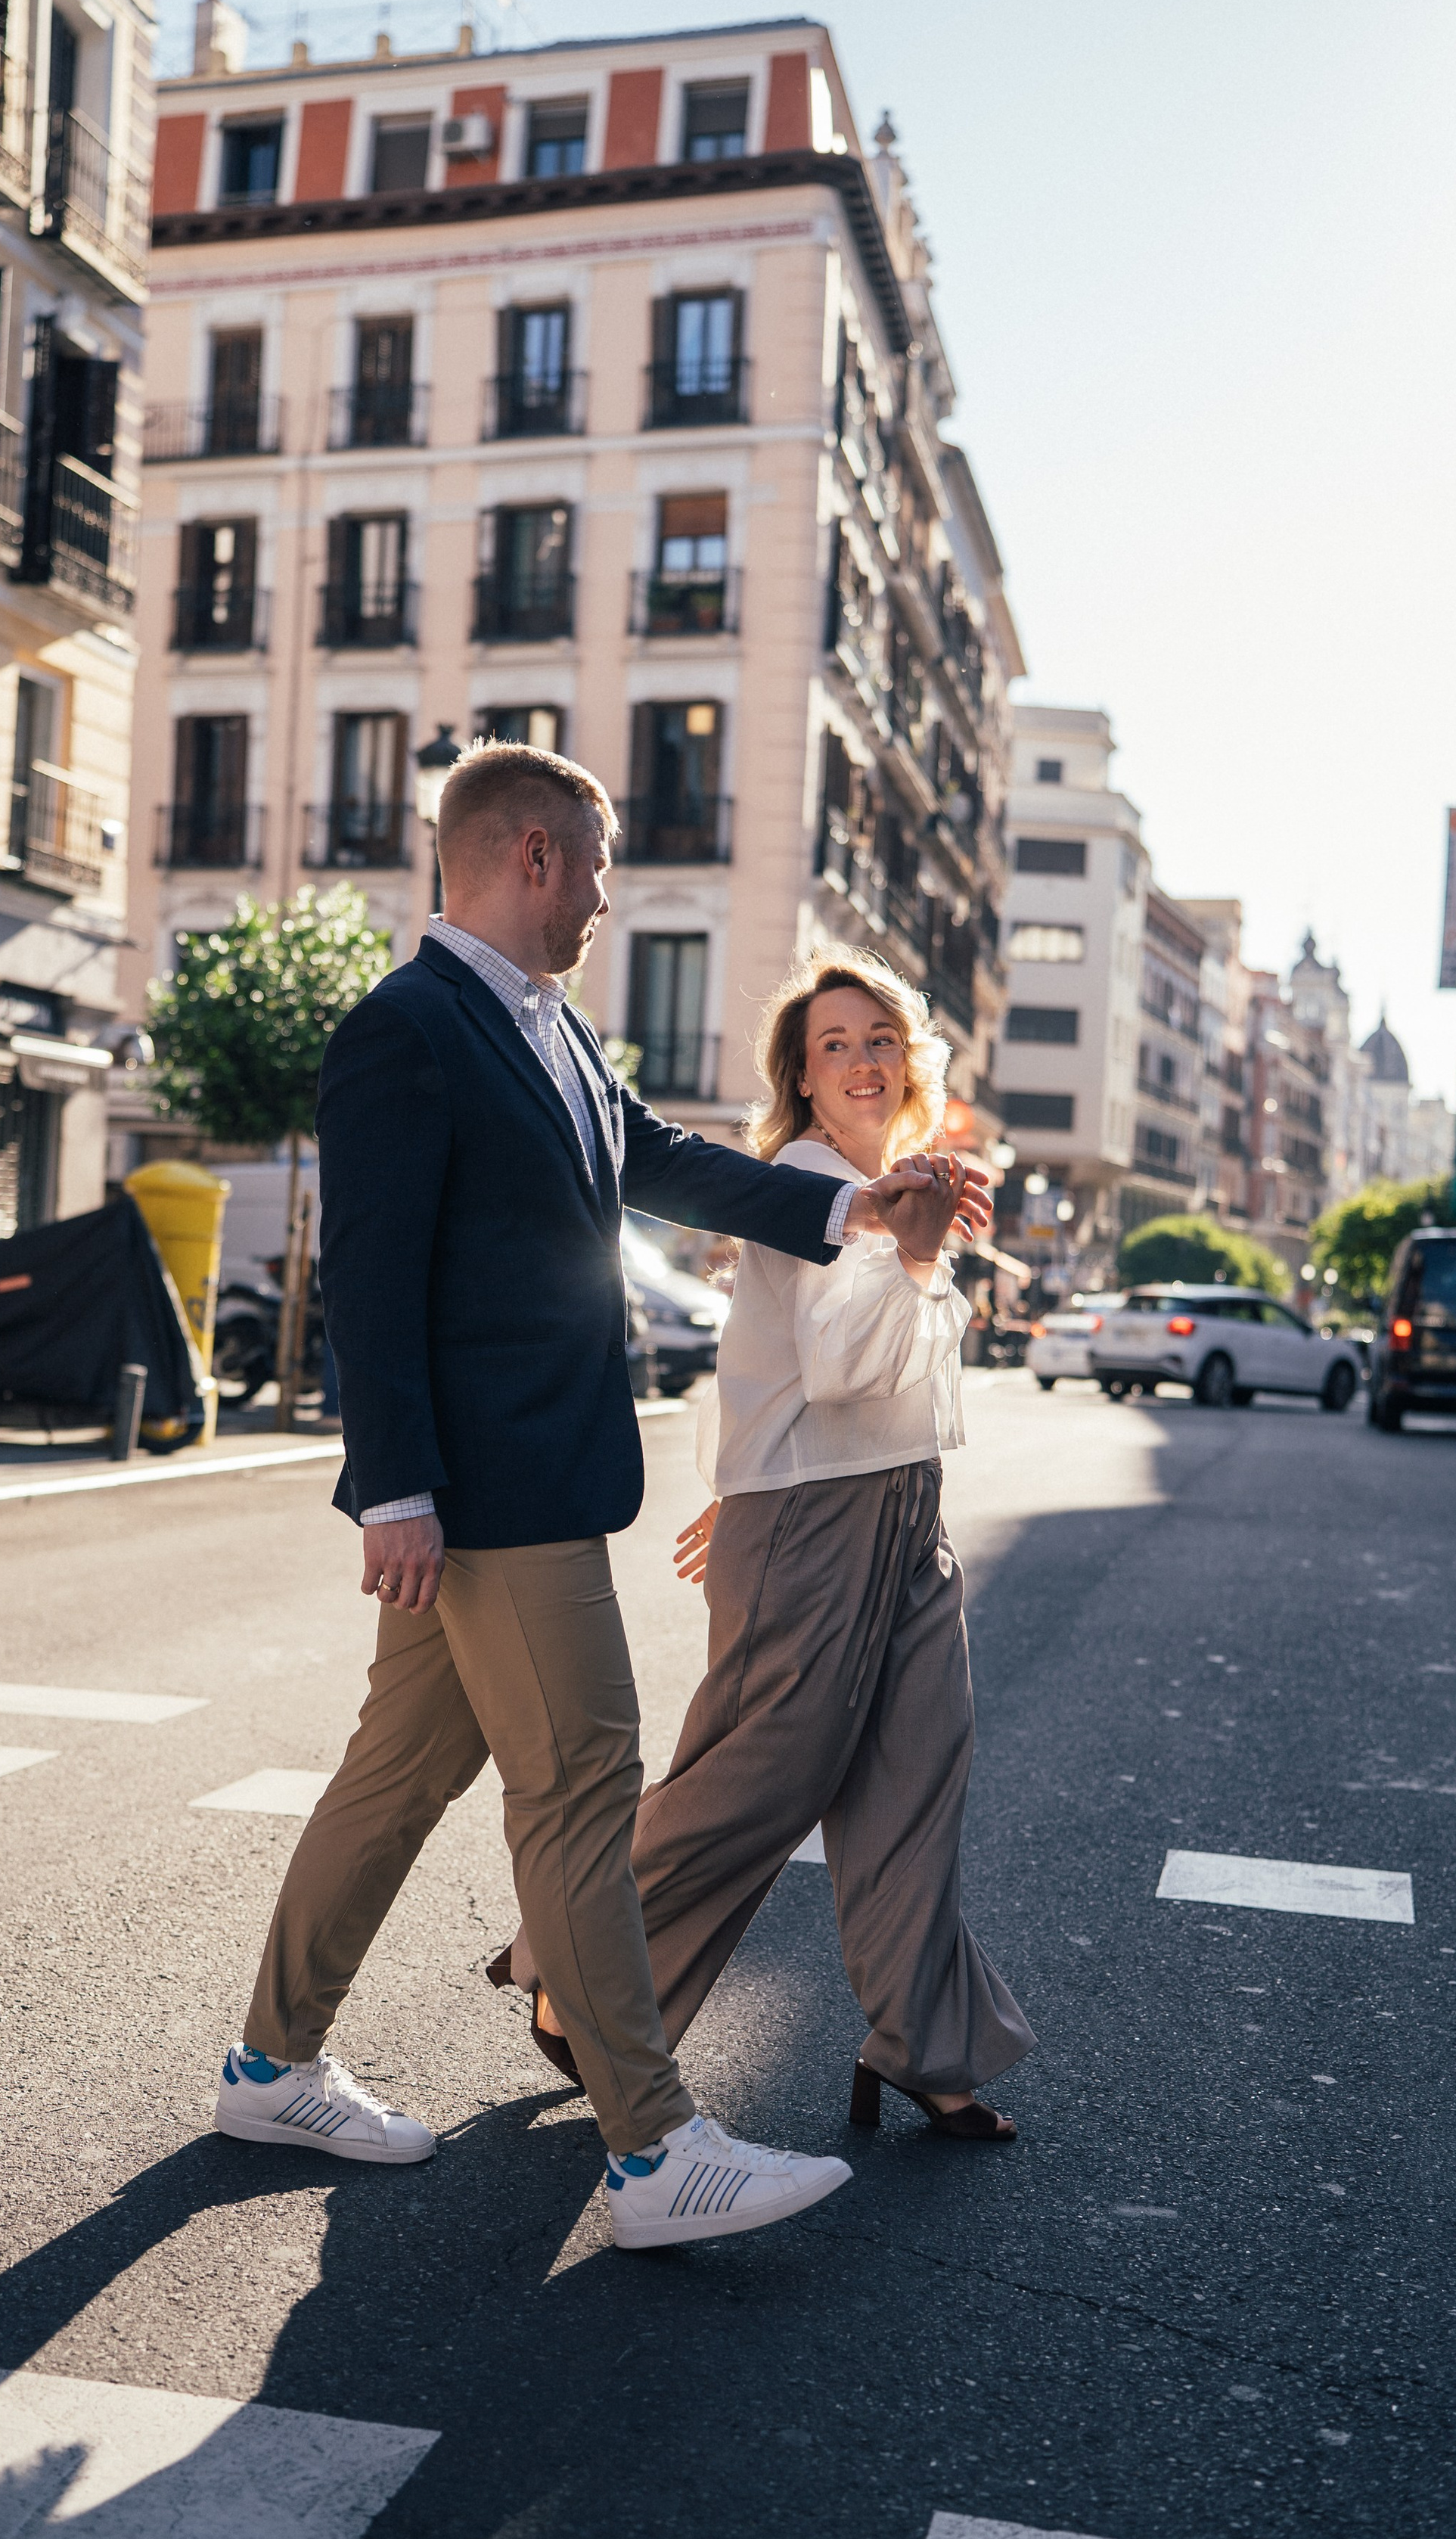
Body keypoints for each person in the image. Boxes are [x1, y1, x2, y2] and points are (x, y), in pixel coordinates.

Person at [214, 746, 995, 2249]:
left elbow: (663, 1160)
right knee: (581, 1785)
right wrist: (394, 1487)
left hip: (525, 1469)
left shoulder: (548, 1026)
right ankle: (653, 2149)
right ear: (532, 856)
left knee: (398, 1773)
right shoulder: (407, 1028)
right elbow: (369, 1279)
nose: (605, 893)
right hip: (488, 1491)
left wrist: (855, 1203)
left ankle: (270, 2063)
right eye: (596, 860)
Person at [495, 950, 1035, 2142]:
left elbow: (789, 1376)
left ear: (911, 1061)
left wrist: (746, 1480)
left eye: (880, 1038)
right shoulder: (807, 1180)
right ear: (801, 1075)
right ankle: (569, 1961)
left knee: (918, 1776)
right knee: (756, 1783)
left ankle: (926, 2047)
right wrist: (920, 1253)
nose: (861, 1061)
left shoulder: (894, 1182)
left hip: (904, 1513)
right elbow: (842, 1366)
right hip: (816, 1526)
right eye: (833, 1045)